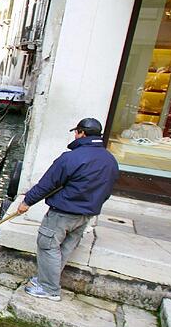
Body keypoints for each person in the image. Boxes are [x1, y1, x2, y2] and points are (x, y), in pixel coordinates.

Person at [18, 118, 119, 302]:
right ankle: (46, 280)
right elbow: (107, 191)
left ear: (82, 133)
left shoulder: (71, 157)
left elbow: (47, 184)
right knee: (64, 248)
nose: (75, 135)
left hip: (63, 213)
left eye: (76, 132)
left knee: (48, 246)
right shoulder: (110, 160)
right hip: (85, 215)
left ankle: (49, 289)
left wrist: (27, 202)